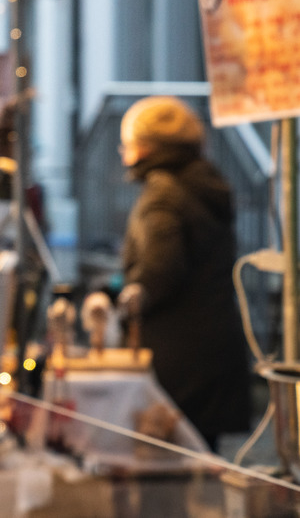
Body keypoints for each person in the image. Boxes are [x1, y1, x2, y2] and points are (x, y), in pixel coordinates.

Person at [118, 95, 251, 450]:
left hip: (177, 357)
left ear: (143, 146)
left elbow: (160, 270)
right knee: (202, 463)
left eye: (127, 143)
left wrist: (127, 299)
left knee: (167, 473)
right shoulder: (205, 182)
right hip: (213, 345)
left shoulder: (163, 192)